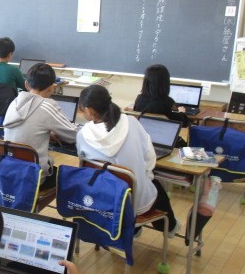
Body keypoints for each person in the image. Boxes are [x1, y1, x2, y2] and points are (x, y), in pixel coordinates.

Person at [76, 84, 180, 236]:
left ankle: (132, 230)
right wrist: (145, 175)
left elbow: (84, 166)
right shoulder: (131, 122)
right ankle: (169, 229)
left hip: (101, 199)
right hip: (134, 200)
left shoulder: (82, 135)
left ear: (89, 111)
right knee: (154, 186)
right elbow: (150, 157)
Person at [3, 63, 78, 187]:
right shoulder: (47, 105)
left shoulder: (14, 102)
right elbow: (73, 135)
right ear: (52, 88)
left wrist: (47, 132)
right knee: (69, 179)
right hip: (34, 176)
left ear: (26, 84)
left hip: (10, 170)